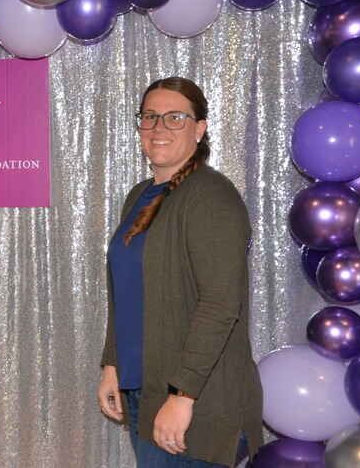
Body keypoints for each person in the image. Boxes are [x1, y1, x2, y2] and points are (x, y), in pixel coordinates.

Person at [96, 77, 262, 467]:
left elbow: (220, 306)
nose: (159, 128)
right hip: (144, 391)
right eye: (150, 117)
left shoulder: (212, 197)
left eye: (175, 118)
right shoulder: (139, 196)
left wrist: (182, 396)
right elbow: (126, 293)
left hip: (196, 403)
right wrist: (113, 364)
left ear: (199, 128)